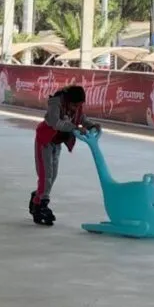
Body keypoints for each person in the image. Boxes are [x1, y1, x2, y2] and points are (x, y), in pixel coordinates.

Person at [31, 85, 100, 225]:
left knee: (53, 175)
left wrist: (91, 125)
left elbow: (81, 119)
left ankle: (37, 197)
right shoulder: (55, 104)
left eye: (79, 105)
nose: (76, 108)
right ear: (68, 100)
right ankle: (40, 204)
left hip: (57, 142)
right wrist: (74, 127)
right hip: (45, 140)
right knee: (46, 175)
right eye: (75, 105)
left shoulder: (76, 107)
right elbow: (55, 122)